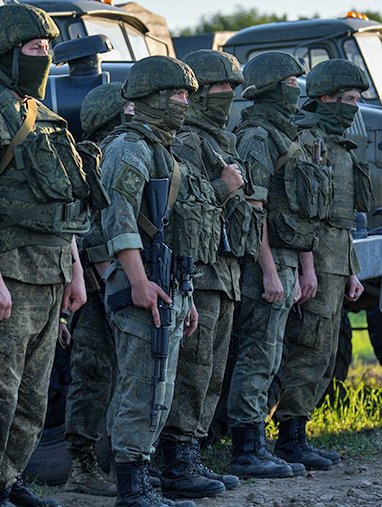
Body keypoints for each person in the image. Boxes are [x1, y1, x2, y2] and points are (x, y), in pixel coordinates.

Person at [0, 4, 94, 506]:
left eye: (48, 47)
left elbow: (63, 205)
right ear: (5, 53)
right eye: (34, 48)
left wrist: (74, 272)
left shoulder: (46, 116)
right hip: (6, 274)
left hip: (49, 276)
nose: (44, 56)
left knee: (31, 394)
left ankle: (6, 480)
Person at [100, 55, 207, 507]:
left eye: (186, 95)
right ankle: (131, 485)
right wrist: (139, 282)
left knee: (159, 386)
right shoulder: (129, 148)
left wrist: (186, 295)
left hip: (166, 284)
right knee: (142, 385)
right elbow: (119, 218)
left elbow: (171, 228)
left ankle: (142, 475)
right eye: (176, 94)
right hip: (141, 285)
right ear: (151, 98)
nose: (184, 102)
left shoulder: (163, 149)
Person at [157, 49, 250, 500]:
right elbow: (180, 209)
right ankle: (177, 460)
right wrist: (225, 187)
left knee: (212, 370)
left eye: (232, 87)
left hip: (225, 268)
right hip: (201, 269)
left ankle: (193, 451)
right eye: (218, 87)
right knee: (194, 370)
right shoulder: (188, 142)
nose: (227, 94)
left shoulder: (221, 140)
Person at [229, 51, 325, 478]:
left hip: (288, 258)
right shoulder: (256, 137)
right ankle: (247, 448)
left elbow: (300, 210)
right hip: (265, 261)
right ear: (270, 88)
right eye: (289, 83)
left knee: (272, 355)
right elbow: (256, 211)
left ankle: (265, 444)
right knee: (258, 353)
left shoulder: (287, 134)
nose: (296, 89)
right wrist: (268, 270)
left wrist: (305, 267)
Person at [272, 58, 370, 470]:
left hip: (336, 263)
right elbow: (302, 213)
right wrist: (307, 267)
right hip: (315, 263)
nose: (354, 107)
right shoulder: (308, 141)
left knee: (325, 353)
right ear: (326, 98)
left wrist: (351, 269)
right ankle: (289, 437)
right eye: (349, 99)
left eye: (357, 99)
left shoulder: (339, 145)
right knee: (307, 348)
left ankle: (300, 432)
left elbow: (342, 219)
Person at [63, 82, 131, 498]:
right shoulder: (97, 158)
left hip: (119, 279)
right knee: (94, 372)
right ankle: (83, 466)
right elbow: (84, 221)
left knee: (122, 374)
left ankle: (123, 463)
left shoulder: (126, 152)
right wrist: (105, 271)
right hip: (97, 283)